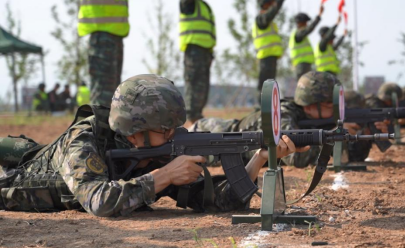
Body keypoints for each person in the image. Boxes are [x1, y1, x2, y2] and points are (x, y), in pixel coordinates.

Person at [0, 74, 308, 216]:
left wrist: (258, 161)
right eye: (167, 128)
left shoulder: (156, 152)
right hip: (9, 188)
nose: (176, 133)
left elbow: (216, 202)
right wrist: (164, 177)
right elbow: (99, 201)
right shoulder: (83, 139)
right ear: (137, 131)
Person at [196, 71, 381, 168]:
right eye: (329, 106)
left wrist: (364, 135)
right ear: (310, 105)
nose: (336, 112)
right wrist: (331, 136)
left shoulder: (315, 119)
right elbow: (294, 157)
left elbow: (352, 157)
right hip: (210, 135)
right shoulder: (284, 114)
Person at [180, 0, 217, 124]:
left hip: (204, 54)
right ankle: (190, 121)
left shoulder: (205, 6)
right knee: (193, 88)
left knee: (202, 89)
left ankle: (197, 119)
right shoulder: (188, 2)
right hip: (193, 52)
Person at [253, 0, 290, 97]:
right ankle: (262, 109)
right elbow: (272, 12)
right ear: (266, 4)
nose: (274, 7)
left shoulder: (268, 22)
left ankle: (267, 109)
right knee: (265, 85)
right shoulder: (261, 19)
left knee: (269, 84)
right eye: (272, 4)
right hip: (266, 56)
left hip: (271, 57)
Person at [289, 7, 324, 80]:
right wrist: (319, 16)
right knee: (303, 87)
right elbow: (309, 29)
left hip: (304, 64)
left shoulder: (301, 36)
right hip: (301, 65)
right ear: (299, 23)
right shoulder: (298, 34)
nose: (306, 24)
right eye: (305, 22)